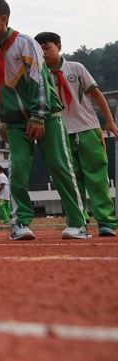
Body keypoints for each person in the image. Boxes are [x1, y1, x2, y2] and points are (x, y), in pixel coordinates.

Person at [0, 0, 87, 240]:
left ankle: (78, 223)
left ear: (3, 19)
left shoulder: (26, 44)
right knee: (18, 170)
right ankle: (20, 223)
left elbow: (39, 80)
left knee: (60, 167)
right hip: (14, 122)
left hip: (45, 116)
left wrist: (38, 114)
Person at [35, 31, 118, 237]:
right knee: (70, 180)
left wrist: (109, 120)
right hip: (60, 133)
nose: (44, 53)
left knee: (97, 176)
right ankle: (77, 222)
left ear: (59, 47)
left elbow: (96, 94)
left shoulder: (76, 68)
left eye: (47, 48)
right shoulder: (38, 74)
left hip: (88, 129)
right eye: (39, 50)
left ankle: (106, 221)